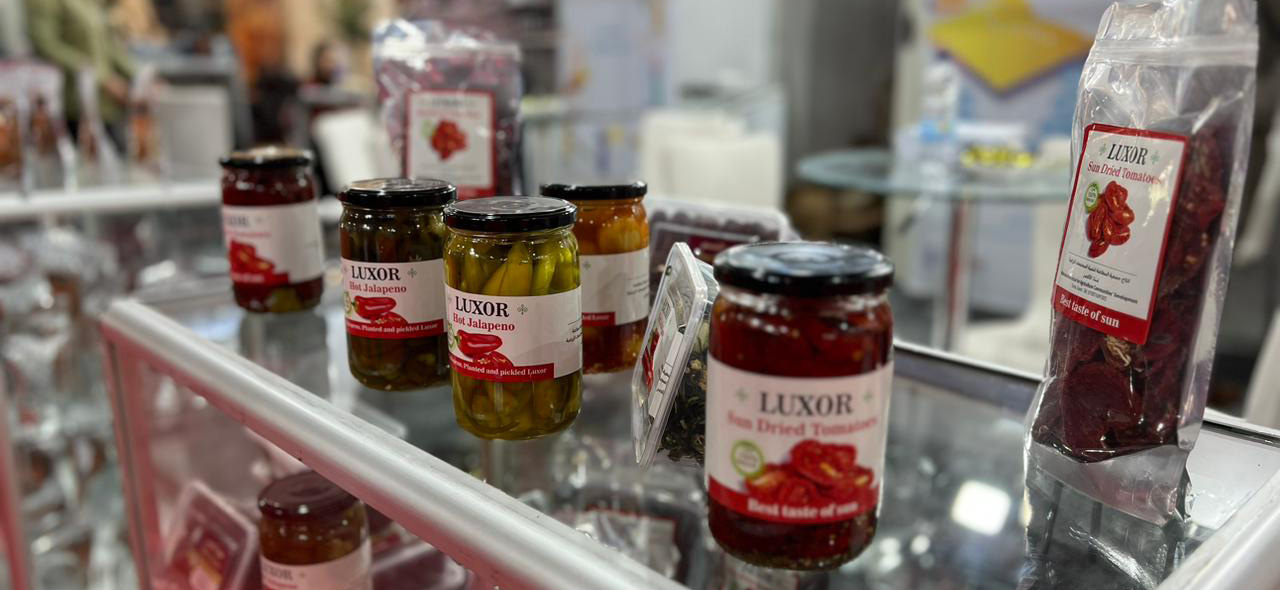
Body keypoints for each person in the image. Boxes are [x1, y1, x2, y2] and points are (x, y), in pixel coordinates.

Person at [25, 0, 136, 149]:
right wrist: (102, 79)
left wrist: (138, 76)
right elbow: (45, 45)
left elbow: (107, 44)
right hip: (73, 102)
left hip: (105, 102)